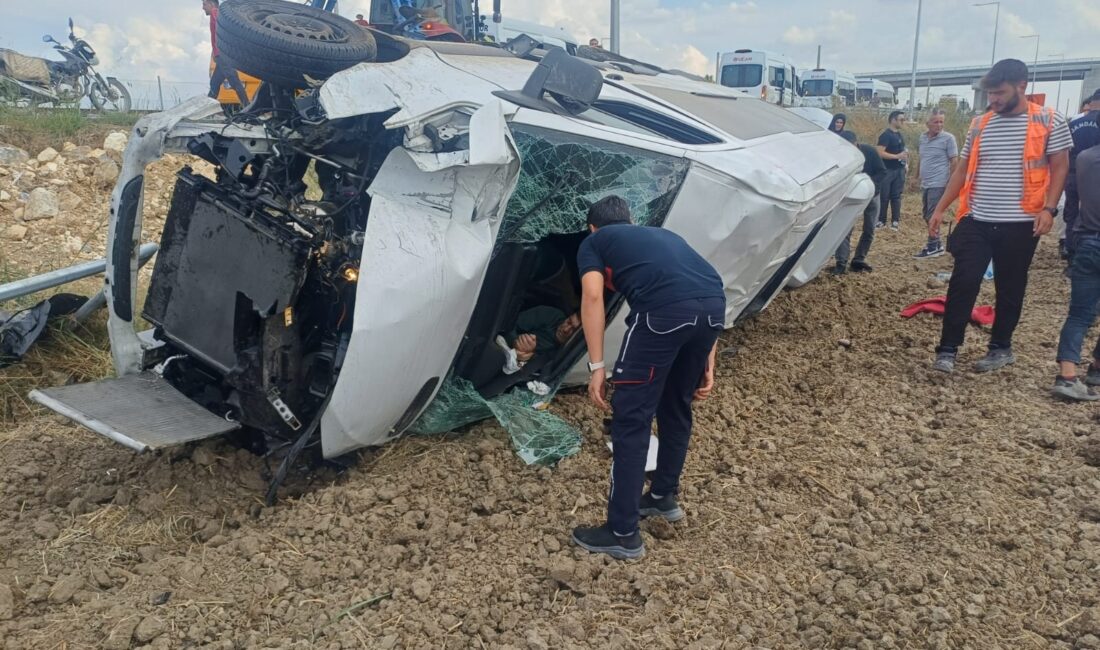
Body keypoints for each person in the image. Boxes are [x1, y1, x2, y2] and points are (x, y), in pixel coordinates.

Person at [571, 196, 725, 560]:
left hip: (662, 314)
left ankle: (622, 532)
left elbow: (592, 296)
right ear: (632, 220)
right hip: (713, 311)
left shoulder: (594, 242)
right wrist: (708, 360)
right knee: (676, 406)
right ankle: (661, 496)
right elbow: (708, 288)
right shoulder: (663, 236)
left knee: (631, 418)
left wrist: (596, 367)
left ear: (592, 227)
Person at [927, 59, 1072, 374]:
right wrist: (940, 207)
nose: (992, 100)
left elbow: (1060, 165)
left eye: (999, 93)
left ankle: (1000, 347)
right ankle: (948, 349)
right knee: (963, 282)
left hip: (1021, 223)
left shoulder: (1049, 120)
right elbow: (963, 169)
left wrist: (1049, 209)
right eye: (990, 94)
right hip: (977, 218)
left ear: (1022, 86)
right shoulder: (980, 123)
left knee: (1010, 286)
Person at [1052, 145, 1100, 400]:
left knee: (1079, 314)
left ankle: (1067, 376)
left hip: (1088, 241)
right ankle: (1097, 368)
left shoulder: (1085, 157)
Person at [833, 130, 885, 274]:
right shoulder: (840, 156)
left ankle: (858, 260)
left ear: (856, 143)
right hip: (851, 197)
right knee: (845, 229)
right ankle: (841, 262)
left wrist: (870, 186)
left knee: (869, 229)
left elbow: (882, 172)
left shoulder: (870, 152)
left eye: (852, 146)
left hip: (873, 195)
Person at [913, 109, 959, 259]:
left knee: (932, 214)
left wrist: (950, 182)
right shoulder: (922, 138)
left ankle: (932, 246)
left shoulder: (948, 139)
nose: (939, 125)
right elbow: (922, 158)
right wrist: (916, 176)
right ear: (927, 124)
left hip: (939, 183)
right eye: (936, 122)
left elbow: (954, 161)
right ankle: (937, 244)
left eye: (941, 122)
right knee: (927, 214)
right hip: (926, 183)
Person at [1062, 89, 1100, 260]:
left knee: (1071, 213)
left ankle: (1070, 250)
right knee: (1091, 215)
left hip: (1072, 173)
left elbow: (1064, 149)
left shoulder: (1074, 121)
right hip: (1094, 174)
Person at [495, 308, 581, 374]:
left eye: (573, 331)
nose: (566, 329)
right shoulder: (550, 315)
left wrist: (523, 359)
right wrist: (516, 343)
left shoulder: (567, 354)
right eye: (568, 322)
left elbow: (529, 372)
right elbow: (509, 325)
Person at [203, 0, 249, 107]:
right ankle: (206, 109)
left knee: (235, 81)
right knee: (214, 84)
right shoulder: (215, 13)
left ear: (211, 4)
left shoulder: (215, 12)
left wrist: (220, 50)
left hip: (223, 56)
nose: (203, 8)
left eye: (204, 4)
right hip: (221, 56)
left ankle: (247, 107)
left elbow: (222, 28)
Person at [876, 110, 909, 231]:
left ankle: (895, 221)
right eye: (901, 119)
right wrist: (896, 157)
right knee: (884, 196)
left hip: (899, 170)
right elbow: (879, 152)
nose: (903, 122)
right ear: (893, 120)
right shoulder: (886, 135)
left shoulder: (899, 135)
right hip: (888, 170)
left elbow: (903, 151)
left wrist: (905, 163)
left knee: (896, 196)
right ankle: (881, 220)